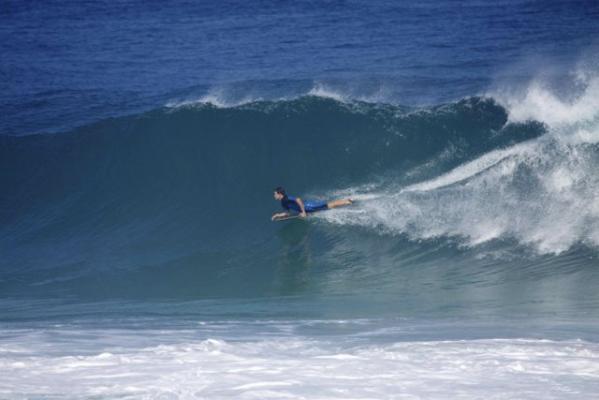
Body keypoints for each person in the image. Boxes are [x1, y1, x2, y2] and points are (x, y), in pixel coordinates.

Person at [271, 186, 353, 220]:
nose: (274, 195)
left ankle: (347, 201)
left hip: (309, 206)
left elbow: (298, 200)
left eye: (275, 194)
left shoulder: (287, 198)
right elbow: (287, 213)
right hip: (307, 209)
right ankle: (345, 201)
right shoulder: (283, 202)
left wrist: (303, 212)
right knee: (327, 207)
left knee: (328, 205)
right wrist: (278, 215)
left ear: (279, 194)